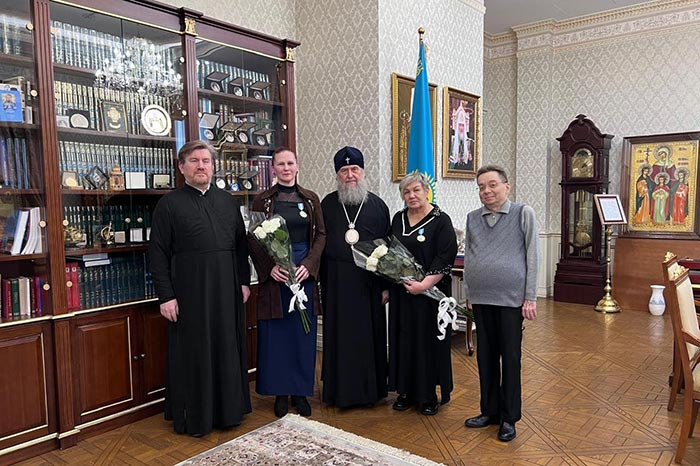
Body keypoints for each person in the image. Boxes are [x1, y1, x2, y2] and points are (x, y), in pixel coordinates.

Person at [149, 140, 251, 437]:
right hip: (189, 292)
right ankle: (195, 417)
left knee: (225, 348)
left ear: (213, 165)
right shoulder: (169, 204)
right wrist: (166, 296)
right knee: (194, 353)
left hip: (226, 290)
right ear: (182, 168)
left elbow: (240, 246)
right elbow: (157, 252)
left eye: (206, 160)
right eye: (194, 161)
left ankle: (228, 412)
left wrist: (243, 282)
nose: (201, 166)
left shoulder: (228, 201)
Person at [248, 147, 326, 418]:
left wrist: (308, 265)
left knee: (302, 336)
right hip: (276, 278)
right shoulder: (262, 200)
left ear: (297, 166)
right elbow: (254, 239)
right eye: (280, 164)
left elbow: (321, 236)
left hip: (303, 275)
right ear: (273, 169)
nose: (285, 168)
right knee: (277, 336)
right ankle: (280, 394)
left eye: (290, 163)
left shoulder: (311, 199)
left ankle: (301, 393)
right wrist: (270, 269)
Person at [463, 164, 538, 443]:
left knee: (511, 358)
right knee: (486, 357)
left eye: (492, 184)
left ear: (506, 187)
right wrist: (469, 294)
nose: (487, 191)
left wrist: (530, 296)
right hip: (481, 299)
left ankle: (509, 417)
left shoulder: (522, 213)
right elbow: (469, 258)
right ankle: (489, 411)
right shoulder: (472, 218)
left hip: (511, 300)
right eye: (482, 186)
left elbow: (533, 255)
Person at [320, 146, 391, 408]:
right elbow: (317, 242)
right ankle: (338, 392)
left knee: (369, 335)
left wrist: (386, 286)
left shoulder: (378, 206)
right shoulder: (326, 204)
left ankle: (371, 391)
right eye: (344, 170)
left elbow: (388, 248)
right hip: (336, 282)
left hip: (368, 283)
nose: (350, 175)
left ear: (363, 172)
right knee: (339, 336)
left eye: (354, 169)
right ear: (337, 175)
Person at [388, 171, 457, 416]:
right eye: (406, 192)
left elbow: (445, 256)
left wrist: (424, 285)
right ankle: (405, 392)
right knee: (404, 340)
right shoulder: (398, 219)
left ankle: (428, 395)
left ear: (426, 191)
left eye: (416, 190)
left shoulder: (441, 220)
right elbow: (390, 253)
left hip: (431, 295)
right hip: (402, 293)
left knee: (428, 343)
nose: (411, 195)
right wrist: (390, 285)